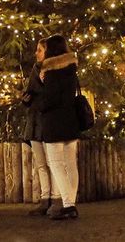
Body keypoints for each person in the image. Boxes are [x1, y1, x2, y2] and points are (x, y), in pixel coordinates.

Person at [39, 34, 82, 220]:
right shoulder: (71, 69)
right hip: (70, 121)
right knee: (71, 164)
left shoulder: (51, 71)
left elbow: (49, 100)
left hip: (54, 123)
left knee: (56, 164)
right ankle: (70, 202)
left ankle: (68, 204)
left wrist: (42, 85)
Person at [21, 38, 52, 216]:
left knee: (52, 163)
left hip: (47, 121)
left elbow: (51, 94)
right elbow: (31, 91)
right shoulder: (35, 69)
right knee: (41, 164)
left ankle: (56, 198)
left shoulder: (55, 70)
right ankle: (45, 198)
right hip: (34, 121)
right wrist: (26, 97)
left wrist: (42, 83)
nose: (36, 53)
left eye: (40, 50)